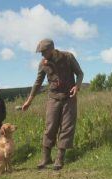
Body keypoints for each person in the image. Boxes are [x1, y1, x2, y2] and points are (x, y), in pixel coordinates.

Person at [22, 39, 84, 170]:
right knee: (50, 126)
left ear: (51, 49)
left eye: (43, 52)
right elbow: (37, 83)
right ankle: (46, 157)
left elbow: (80, 73)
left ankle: (60, 158)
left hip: (69, 97)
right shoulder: (43, 64)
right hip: (53, 98)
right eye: (41, 52)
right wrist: (29, 101)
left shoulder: (68, 57)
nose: (42, 55)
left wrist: (77, 86)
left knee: (67, 127)